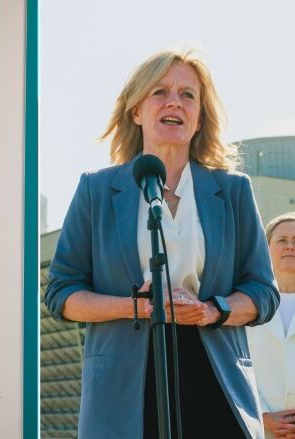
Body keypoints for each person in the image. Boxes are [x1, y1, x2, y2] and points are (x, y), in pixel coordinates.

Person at [45, 49, 278, 438]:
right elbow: (61, 293)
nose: (175, 101)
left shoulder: (234, 190)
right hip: (123, 387)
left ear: (200, 116)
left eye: (188, 95)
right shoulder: (97, 189)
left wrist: (209, 311)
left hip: (215, 377)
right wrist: (138, 306)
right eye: (160, 91)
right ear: (135, 111)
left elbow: (263, 294)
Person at [248, 212, 295, 439]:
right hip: (258, 428)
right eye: (282, 241)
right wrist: (263, 415)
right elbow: (234, 363)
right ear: (266, 248)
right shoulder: (248, 302)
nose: (290, 247)